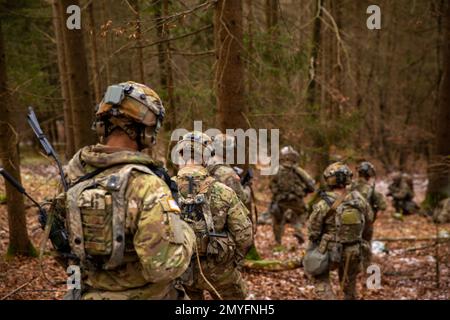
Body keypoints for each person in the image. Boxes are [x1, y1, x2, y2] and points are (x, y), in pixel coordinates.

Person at [59, 81, 195, 300]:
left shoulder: (72, 177)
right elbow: (164, 267)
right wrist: (187, 232)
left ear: (102, 125)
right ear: (146, 131)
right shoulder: (146, 185)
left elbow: (63, 248)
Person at [173, 131, 253, 300]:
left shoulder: (164, 188)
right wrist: (233, 262)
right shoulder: (223, 191)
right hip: (220, 269)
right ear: (207, 156)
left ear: (180, 154)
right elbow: (244, 236)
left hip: (181, 269)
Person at [306, 162, 373, 300]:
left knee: (320, 279)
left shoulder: (323, 203)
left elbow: (313, 231)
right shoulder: (359, 199)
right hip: (354, 250)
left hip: (329, 251)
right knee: (349, 286)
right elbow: (369, 218)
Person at [268, 146, 315, 246]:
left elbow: (271, 185)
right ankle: (297, 229)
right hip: (296, 201)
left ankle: (278, 243)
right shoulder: (299, 171)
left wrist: (277, 194)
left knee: (277, 221)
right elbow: (311, 185)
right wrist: (305, 191)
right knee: (303, 213)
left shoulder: (276, 170)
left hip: (280, 201)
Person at [351, 161, 387, 241]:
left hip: (348, 223)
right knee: (366, 247)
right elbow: (382, 206)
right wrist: (372, 219)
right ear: (369, 175)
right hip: (365, 225)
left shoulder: (348, 187)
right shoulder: (370, 189)